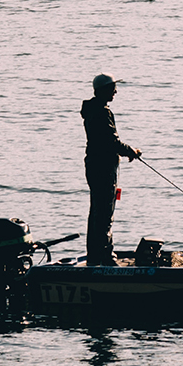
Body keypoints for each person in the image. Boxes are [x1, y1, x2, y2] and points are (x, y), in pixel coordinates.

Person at [80, 73, 141, 265]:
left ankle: (94, 256)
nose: (115, 91)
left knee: (97, 212)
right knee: (105, 213)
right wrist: (131, 151)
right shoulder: (102, 111)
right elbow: (111, 141)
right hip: (103, 167)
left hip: (93, 165)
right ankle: (105, 257)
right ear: (102, 90)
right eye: (112, 87)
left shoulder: (92, 110)